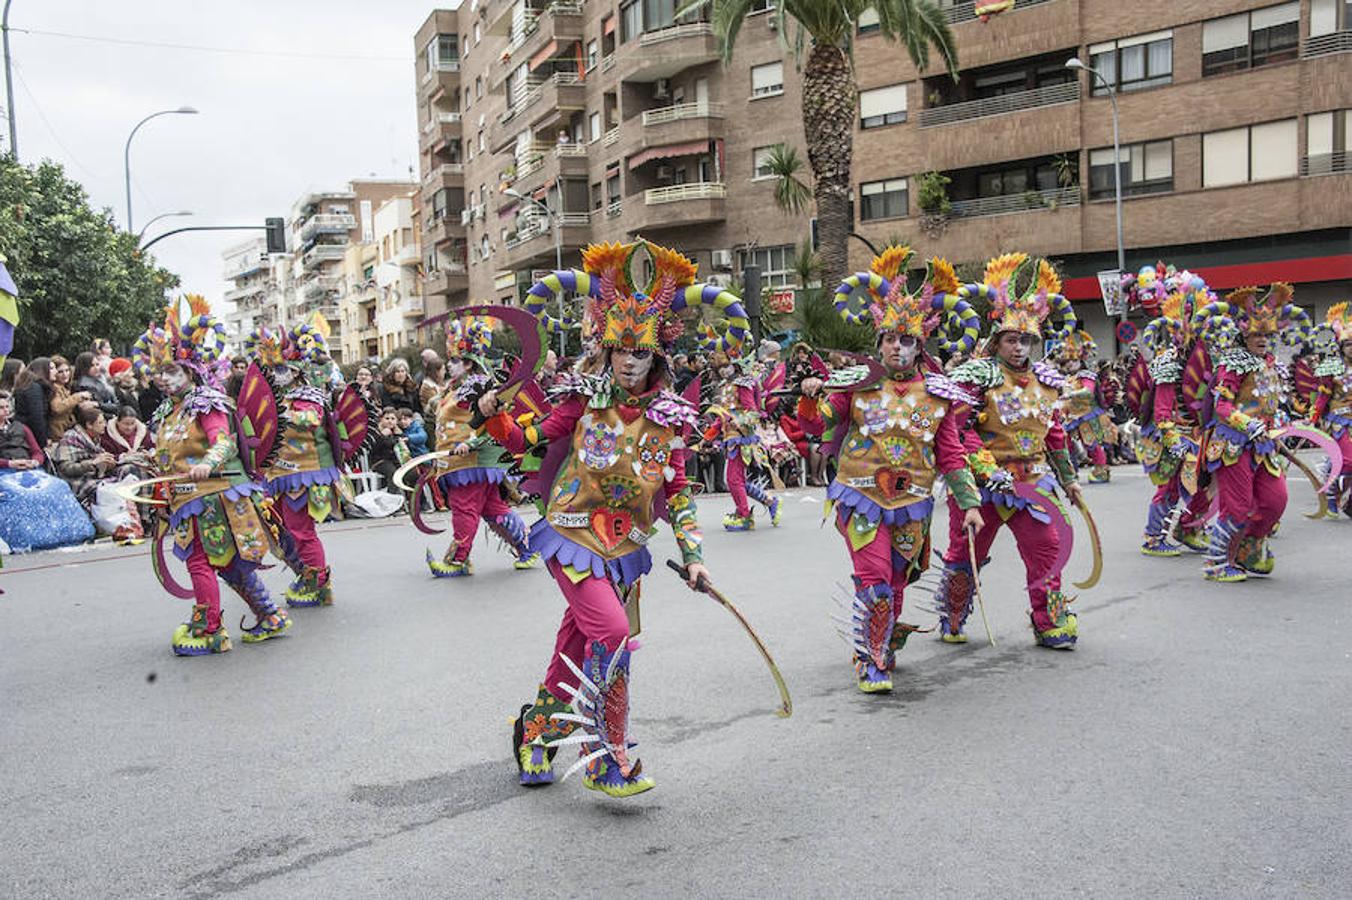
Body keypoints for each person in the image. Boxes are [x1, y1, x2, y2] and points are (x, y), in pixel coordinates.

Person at [479, 240, 729, 798]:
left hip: (627, 552)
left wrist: (695, 558)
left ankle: (536, 731)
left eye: (640, 352)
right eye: (620, 349)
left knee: (576, 643)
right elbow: (525, 442)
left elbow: (680, 492)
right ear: (606, 348)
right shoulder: (582, 402)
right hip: (570, 537)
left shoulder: (669, 421)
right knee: (612, 636)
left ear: (657, 356)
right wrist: (494, 417)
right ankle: (606, 757)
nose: (629, 361)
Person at [801, 248, 984, 692]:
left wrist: (971, 503)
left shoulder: (939, 395)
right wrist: (810, 396)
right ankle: (872, 658)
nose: (896, 347)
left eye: (906, 340)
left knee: (899, 581)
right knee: (876, 577)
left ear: (920, 346)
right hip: (860, 497)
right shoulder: (855, 385)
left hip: (912, 505)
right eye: (889, 339)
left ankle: (879, 638)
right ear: (878, 341)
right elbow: (818, 422)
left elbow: (952, 453)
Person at [933, 253, 1084, 650]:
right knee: (966, 555)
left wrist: (1068, 479)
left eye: (1026, 339)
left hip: (1032, 484)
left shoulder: (1047, 382)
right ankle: (952, 613)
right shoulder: (975, 376)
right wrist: (986, 471)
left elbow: (1054, 435)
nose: (1019, 347)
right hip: (982, 487)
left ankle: (1048, 619)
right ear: (996, 340)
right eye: (1012, 339)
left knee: (1048, 549)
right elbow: (957, 431)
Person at [133, 297, 291, 655]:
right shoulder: (169, 413)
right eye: (160, 371)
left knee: (200, 561)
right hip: (187, 496)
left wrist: (208, 461)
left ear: (190, 371)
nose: (163, 377)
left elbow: (223, 441)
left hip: (214, 495)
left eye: (171, 369)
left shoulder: (207, 402)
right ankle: (270, 615)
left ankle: (210, 629)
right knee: (231, 565)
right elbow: (172, 453)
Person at [1195, 285, 1306, 581]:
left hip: (1265, 445)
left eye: (1267, 335)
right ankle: (1216, 563)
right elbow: (1221, 406)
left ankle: (1248, 546)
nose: (1263, 340)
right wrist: (1249, 424)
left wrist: (1279, 423)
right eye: (1257, 335)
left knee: (1275, 501)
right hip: (1233, 444)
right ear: (1244, 335)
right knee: (1238, 506)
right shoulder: (1232, 363)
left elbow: (1269, 404)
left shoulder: (1270, 366)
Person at [246, 319, 353, 607]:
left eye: (281, 369)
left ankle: (318, 582)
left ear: (297, 369)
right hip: (278, 476)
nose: (276, 375)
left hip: (306, 475)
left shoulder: (308, 396)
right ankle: (305, 573)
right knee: (280, 531)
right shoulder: (274, 399)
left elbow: (311, 419)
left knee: (302, 531)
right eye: (273, 369)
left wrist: (278, 415)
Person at [421, 318, 536, 576]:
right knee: (493, 509)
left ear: (469, 362)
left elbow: (492, 423)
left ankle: (458, 560)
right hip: (457, 463)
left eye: (453, 361)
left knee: (465, 509)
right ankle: (528, 546)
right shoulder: (453, 390)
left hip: (470, 462)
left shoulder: (481, 387)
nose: (448, 366)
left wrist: (469, 443)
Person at [1130, 274, 1210, 556]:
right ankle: (1153, 538)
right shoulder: (1170, 361)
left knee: (1204, 486)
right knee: (1170, 490)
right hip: (1171, 437)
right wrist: (1173, 439)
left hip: (1197, 436)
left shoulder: (1205, 362)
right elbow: (1163, 411)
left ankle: (1188, 527)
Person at [0, 389, 94, 552]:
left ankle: (72, 532)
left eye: (7, 407)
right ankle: (27, 537)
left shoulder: (21, 428)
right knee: (19, 494)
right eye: (1, 408)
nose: (6, 411)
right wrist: (10, 464)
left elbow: (37, 450)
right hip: (5, 472)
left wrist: (34, 461)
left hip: (29, 469)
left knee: (58, 486)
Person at [708, 346, 780, 530]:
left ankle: (744, 515)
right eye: (719, 368)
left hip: (742, 440)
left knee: (733, 480)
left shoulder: (743, 384)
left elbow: (753, 412)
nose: (723, 370)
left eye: (726, 365)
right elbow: (722, 416)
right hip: (730, 439)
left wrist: (738, 422)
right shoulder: (725, 387)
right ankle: (769, 501)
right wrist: (706, 436)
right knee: (737, 480)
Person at [1048, 331, 1115, 483]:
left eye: (1073, 360)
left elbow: (1088, 392)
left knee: (1091, 443)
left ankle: (1101, 470)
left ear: (1080, 359)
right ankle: (1071, 472)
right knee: (1066, 444)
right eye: (1066, 362)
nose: (1069, 364)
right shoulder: (1065, 377)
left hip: (1088, 414)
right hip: (1071, 416)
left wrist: (1070, 395)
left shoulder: (1086, 375)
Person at [1309, 303, 1352, 517]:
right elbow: (1323, 395)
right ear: (1341, 346)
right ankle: (1331, 488)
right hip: (1339, 420)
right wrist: (1313, 417)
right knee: (1347, 460)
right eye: (1349, 344)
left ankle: (1343, 496)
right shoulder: (1332, 368)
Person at [101, 405, 155, 480]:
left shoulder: (143, 432)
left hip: (142, 462)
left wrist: (148, 454)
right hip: (118, 467)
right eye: (126, 424)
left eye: (132, 423)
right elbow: (106, 455)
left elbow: (151, 447)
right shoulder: (107, 434)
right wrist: (123, 456)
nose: (129, 427)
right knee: (130, 470)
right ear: (118, 422)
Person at [12, 356, 54, 448]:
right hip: (31, 436)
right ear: (43, 370)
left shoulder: (35, 386)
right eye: (51, 368)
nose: (56, 371)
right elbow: (37, 417)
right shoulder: (34, 388)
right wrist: (43, 441)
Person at [49, 356, 90, 440]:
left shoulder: (64, 387)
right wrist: (77, 397)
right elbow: (57, 408)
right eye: (60, 372)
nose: (65, 374)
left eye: (67, 370)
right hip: (57, 432)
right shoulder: (54, 388)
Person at [367, 408, 404, 494]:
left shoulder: (397, 432)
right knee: (394, 474)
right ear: (381, 419)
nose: (390, 421)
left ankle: (415, 501)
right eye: (387, 418)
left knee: (411, 472)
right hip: (378, 461)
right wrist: (382, 436)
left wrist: (399, 437)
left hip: (394, 461)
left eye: (393, 419)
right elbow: (372, 448)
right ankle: (391, 500)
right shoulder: (375, 431)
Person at [73, 351, 118, 417]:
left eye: (97, 364)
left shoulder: (103, 380)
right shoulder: (83, 386)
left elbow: (116, 404)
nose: (96, 368)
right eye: (92, 366)